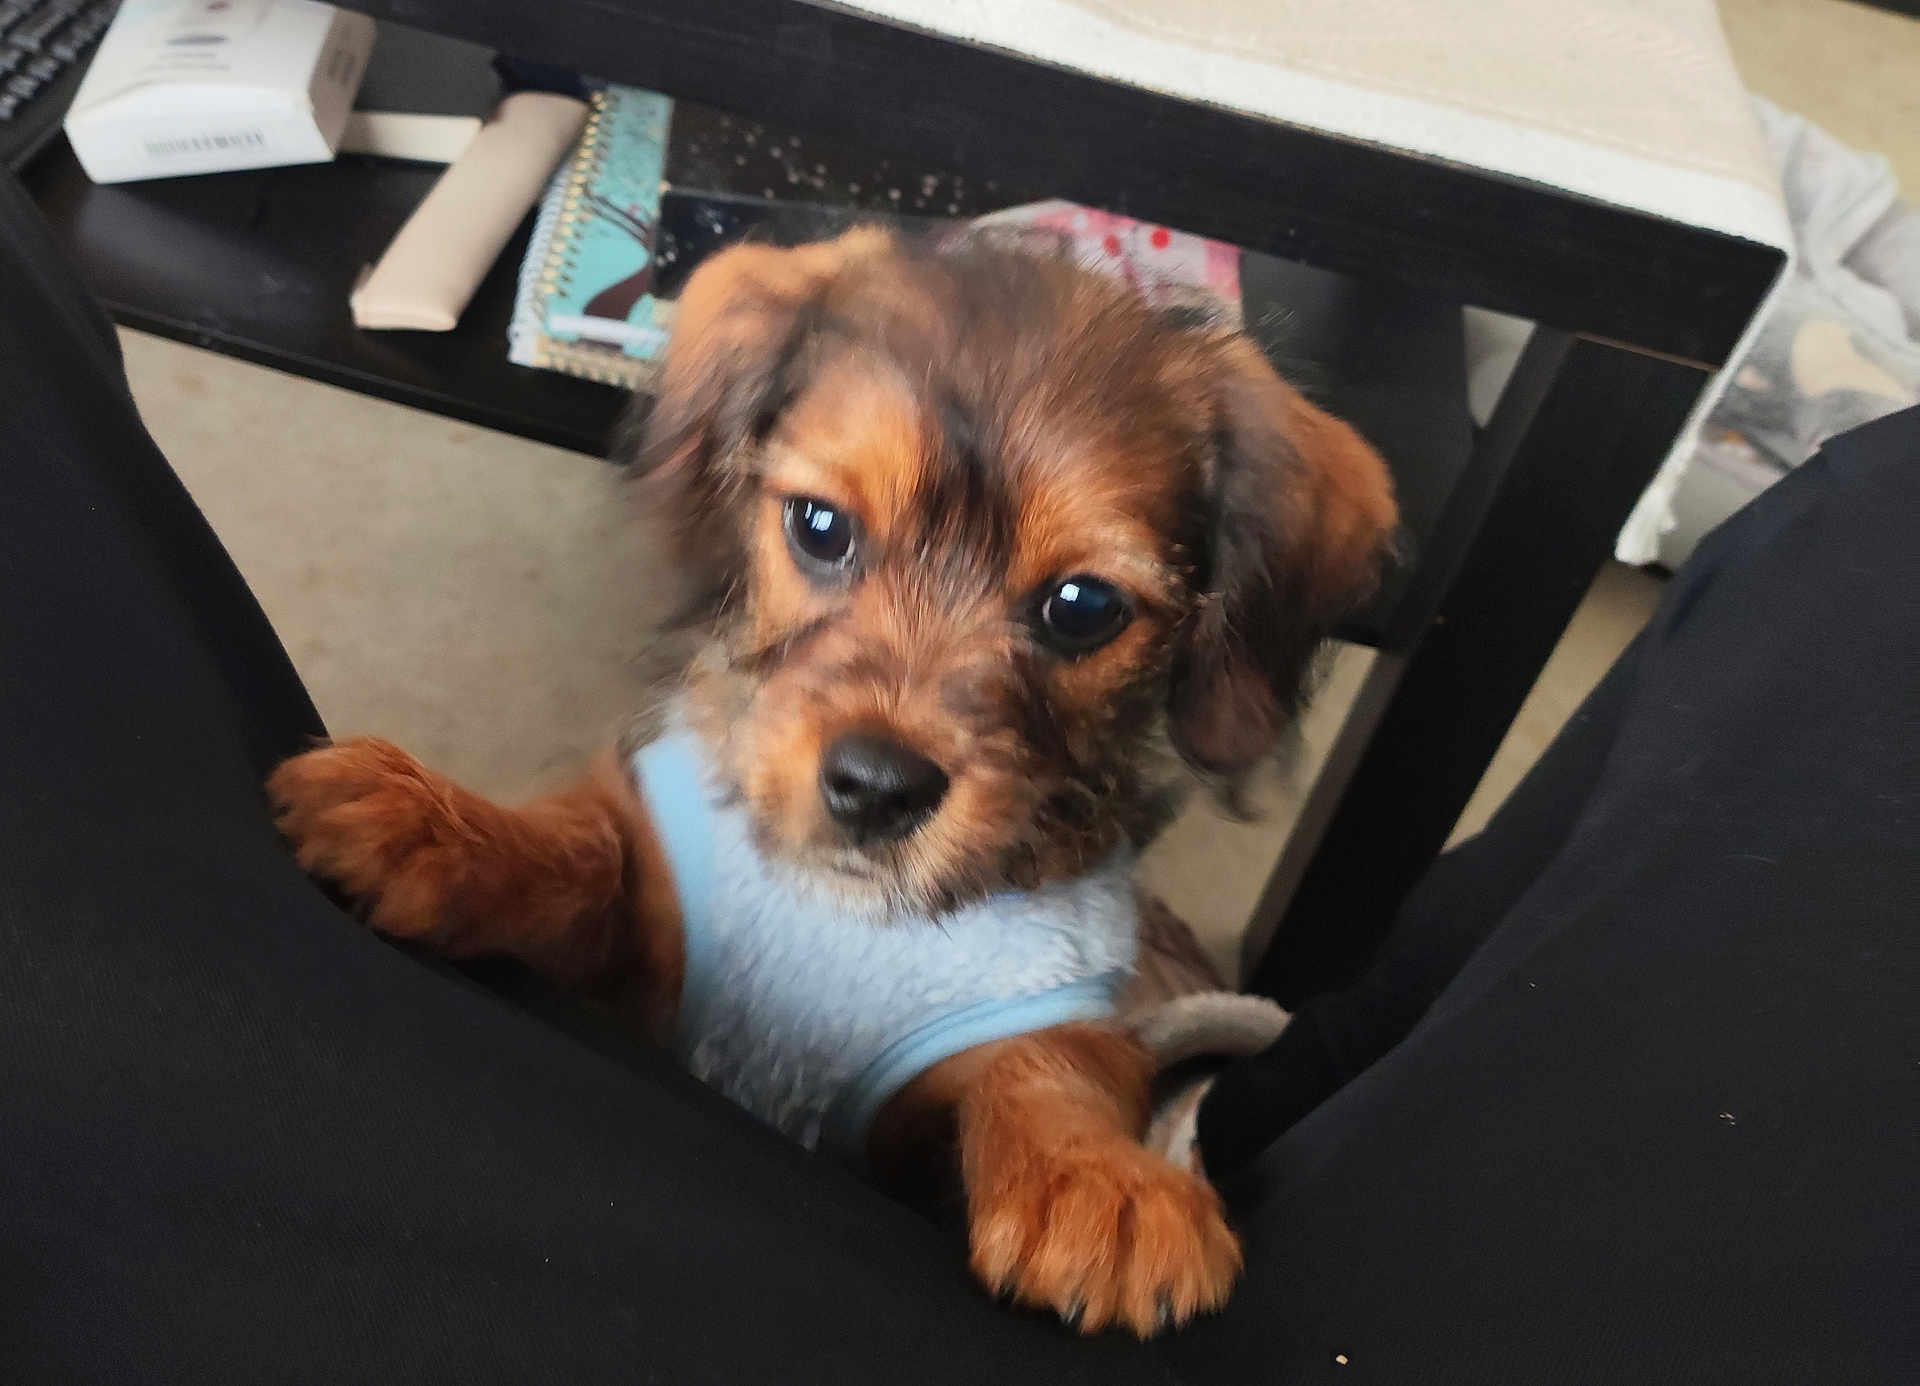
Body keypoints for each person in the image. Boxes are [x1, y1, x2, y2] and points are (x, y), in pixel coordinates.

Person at [1, 170, 1909, 1384]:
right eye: (824, 532)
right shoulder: (707, 740)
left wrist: (1060, 1134)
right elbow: (613, 867)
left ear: (1213, 627)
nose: (887, 718)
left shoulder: (1053, 932)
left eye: (1077, 604)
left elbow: (1039, 1049)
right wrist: (510, 859)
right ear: (740, 486)